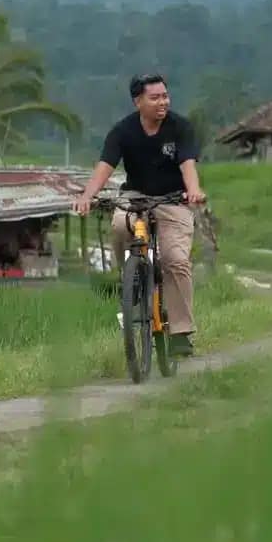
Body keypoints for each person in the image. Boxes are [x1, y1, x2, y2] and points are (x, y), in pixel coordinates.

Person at [73, 72, 205, 357]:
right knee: (120, 225)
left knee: (177, 261)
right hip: (136, 197)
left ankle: (181, 332)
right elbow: (105, 166)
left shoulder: (180, 127)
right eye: (155, 97)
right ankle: (131, 274)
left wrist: (193, 190)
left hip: (174, 199)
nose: (163, 102)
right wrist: (87, 196)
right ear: (138, 102)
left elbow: (188, 165)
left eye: (165, 96)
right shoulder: (123, 131)